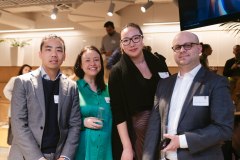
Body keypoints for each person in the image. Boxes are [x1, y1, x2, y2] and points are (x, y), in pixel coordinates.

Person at [143, 31, 234, 160]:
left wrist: (182, 141)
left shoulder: (216, 83)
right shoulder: (164, 84)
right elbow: (154, 127)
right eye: (177, 47)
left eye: (188, 45)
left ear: (199, 48)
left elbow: (224, 129)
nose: (182, 50)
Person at [8, 34, 81, 160]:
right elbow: (18, 124)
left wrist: (65, 156)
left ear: (64, 56)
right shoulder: (23, 82)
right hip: (26, 156)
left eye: (59, 50)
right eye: (48, 49)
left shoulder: (71, 86)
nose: (54, 54)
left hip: (58, 156)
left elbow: (75, 125)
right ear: (40, 54)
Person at [108, 23, 170, 160]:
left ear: (142, 39)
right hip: (137, 134)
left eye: (136, 38)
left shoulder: (158, 62)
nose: (132, 43)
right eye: (126, 40)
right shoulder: (117, 72)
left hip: (165, 128)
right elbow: (118, 112)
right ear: (121, 44)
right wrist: (127, 147)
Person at [73, 45, 112, 160]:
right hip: (83, 151)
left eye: (96, 60)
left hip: (106, 151)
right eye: (87, 60)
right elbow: (62, 120)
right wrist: (82, 122)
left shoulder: (108, 90)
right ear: (80, 64)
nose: (93, 64)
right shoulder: (73, 89)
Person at [3, 64, 32, 146]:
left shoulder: (30, 82)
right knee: (13, 134)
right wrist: (15, 100)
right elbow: (6, 91)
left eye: (29, 70)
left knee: (24, 134)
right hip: (15, 111)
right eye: (26, 69)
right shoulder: (15, 79)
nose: (27, 71)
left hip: (27, 112)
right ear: (21, 70)